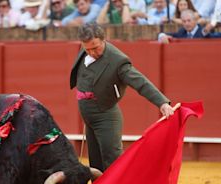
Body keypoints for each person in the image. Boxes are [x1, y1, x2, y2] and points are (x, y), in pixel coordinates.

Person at [70, 22, 174, 172]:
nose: (92, 53)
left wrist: (162, 103)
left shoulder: (118, 61)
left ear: (103, 40)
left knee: (113, 160)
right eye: (88, 49)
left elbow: (140, 82)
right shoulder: (86, 49)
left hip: (105, 116)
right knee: (96, 163)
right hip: (89, 116)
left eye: (96, 48)